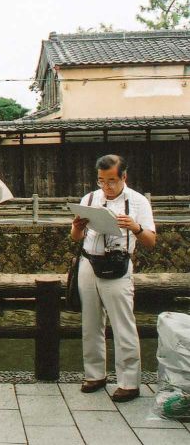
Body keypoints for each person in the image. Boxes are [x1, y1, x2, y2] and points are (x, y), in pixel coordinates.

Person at [71, 154, 156, 403]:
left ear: (123, 177)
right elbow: (75, 237)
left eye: (111, 181)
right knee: (91, 321)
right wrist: (77, 225)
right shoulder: (89, 198)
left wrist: (135, 227)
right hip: (89, 261)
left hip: (118, 264)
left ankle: (129, 382)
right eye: (101, 181)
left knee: (122, 323)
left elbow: (151, 241)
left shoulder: (138, 202)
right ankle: (95, 375)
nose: (106, 187)